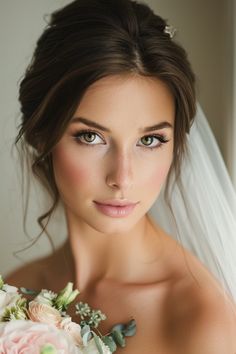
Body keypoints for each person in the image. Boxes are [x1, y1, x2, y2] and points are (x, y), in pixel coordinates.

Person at [5, 0, 236, 352]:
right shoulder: (16, 294)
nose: (122, 177)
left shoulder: (200, 320)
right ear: (41, 135)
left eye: (150, 140)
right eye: (91, 136)